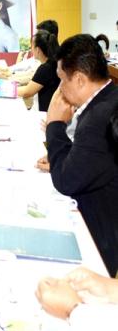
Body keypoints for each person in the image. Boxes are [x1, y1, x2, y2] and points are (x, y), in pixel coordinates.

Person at [45, 34, 118, 275]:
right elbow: (90, 161)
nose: (60, 89)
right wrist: (64, 156)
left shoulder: (97, 118)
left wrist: (54, 125)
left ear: (78, 79)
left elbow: (66, 181)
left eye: (61, 80)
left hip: (100, 240)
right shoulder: (110, 97)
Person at [17, 30, 60, 111]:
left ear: (37, 49)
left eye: (32, 47)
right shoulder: (54, 63)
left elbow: (27, 92)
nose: (31, 49)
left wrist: (4, 89)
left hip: (43, 113)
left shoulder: (45, 68)